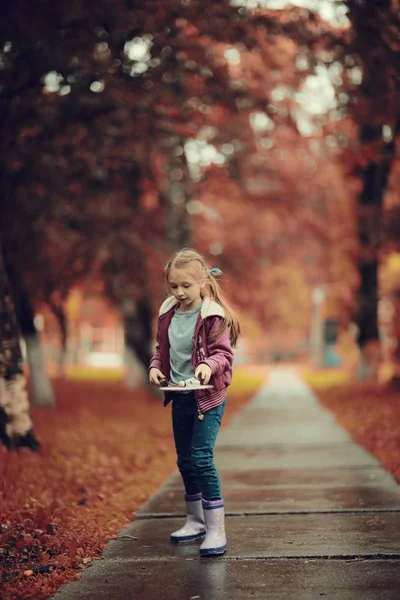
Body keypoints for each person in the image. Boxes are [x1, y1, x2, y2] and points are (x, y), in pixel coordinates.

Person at [149, 248, 240, 557]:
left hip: (208, 396)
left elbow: (224, 354)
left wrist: (208, 366)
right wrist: (155, 367)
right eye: (173, 286)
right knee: (185, 461)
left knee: (201, 458)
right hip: (180, 394)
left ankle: (216, 530)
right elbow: (162, 348)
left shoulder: (212, 315)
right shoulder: (167, 312)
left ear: (202, 282)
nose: (179, 292)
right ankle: (195, 520)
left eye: (186, 286)